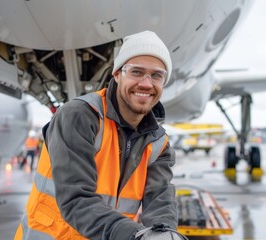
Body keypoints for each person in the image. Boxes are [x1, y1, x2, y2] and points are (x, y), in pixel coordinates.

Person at [14, 31, 187, 240]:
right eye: (137, 72)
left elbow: (159, 199)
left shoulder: (158, 143)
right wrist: (137, 236)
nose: (146, 84)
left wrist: (165, 232)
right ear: (117, 74)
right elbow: (76, 198)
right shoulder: (79, 117)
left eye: (157, 75)